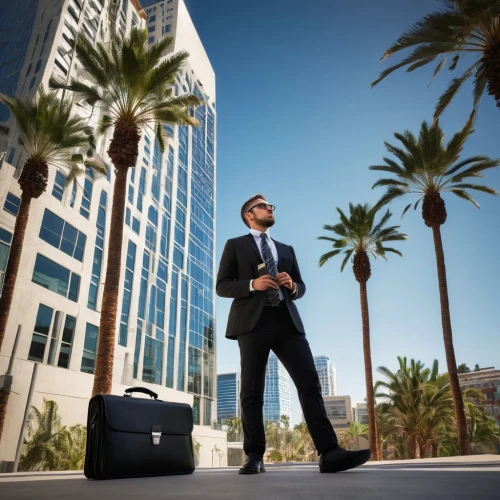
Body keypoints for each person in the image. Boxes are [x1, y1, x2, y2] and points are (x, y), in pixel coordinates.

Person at [216, 194, 371, 474]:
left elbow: (301, 285)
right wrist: (252, 283)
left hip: (287, 322)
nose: (269, 209)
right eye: (263, 206)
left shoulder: (286, 249)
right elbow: (222, 286)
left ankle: (329, 452)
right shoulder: (235, 245)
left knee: (309, 382)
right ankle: (255, 456)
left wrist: (293, 286)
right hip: (252, 322)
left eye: (270, 206)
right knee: (252, 390)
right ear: (249, 215)